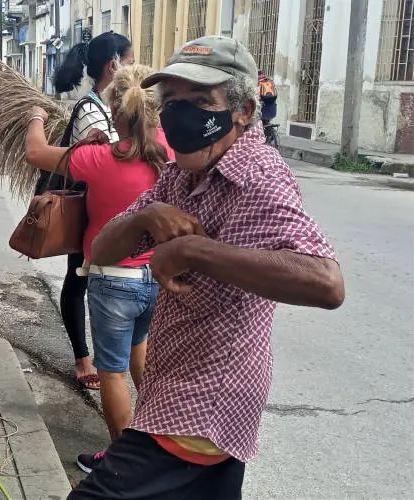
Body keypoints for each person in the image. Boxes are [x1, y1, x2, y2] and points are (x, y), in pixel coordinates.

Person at [71, 36, 345, 498]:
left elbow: (326, 282)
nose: (182, 114)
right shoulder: (181, 172)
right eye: (173, 101)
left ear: (242, 110)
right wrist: (143, 216)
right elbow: (101, 251)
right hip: (175, 386)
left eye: (201, 101)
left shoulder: (259, 177)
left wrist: (195, 251)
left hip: (203, 401)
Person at [25, 64, 174, 474]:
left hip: (113, 283)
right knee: (140, 350)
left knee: (112, 372)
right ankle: (157, 441)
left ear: (115, 112)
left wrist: (36, 116)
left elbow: (36, 153)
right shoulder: (170, 150)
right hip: (154, 278)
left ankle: (121, 463)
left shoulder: (99, 158)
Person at [36, 31, 135, 392]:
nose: (133, 66)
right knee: (78, 279)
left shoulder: (111, 105)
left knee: (96, 281)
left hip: (109, 212)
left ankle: (110, 358)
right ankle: (83, 358)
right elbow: (103, 161)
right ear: (114, 65)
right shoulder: (91, 109)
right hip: (88, 212)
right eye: (131, 59)